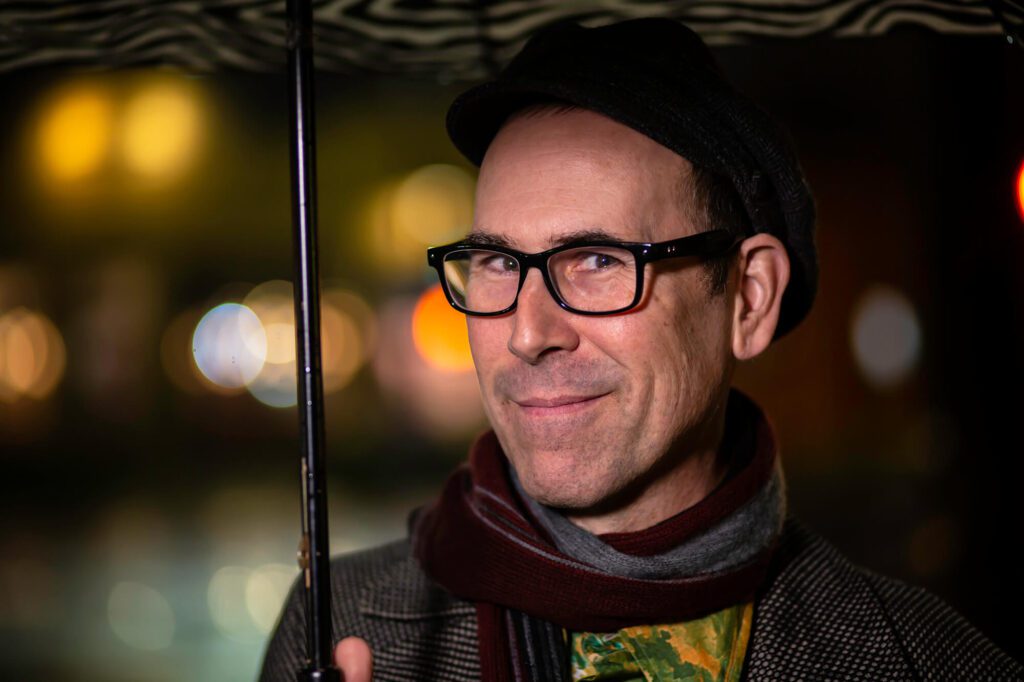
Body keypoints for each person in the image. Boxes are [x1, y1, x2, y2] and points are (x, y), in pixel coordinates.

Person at [260, 18, 1021, 681]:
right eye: (497, 262)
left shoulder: (922, 662)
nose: (528, 334)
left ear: (749, 298)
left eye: (596, 260)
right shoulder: (339, 631)